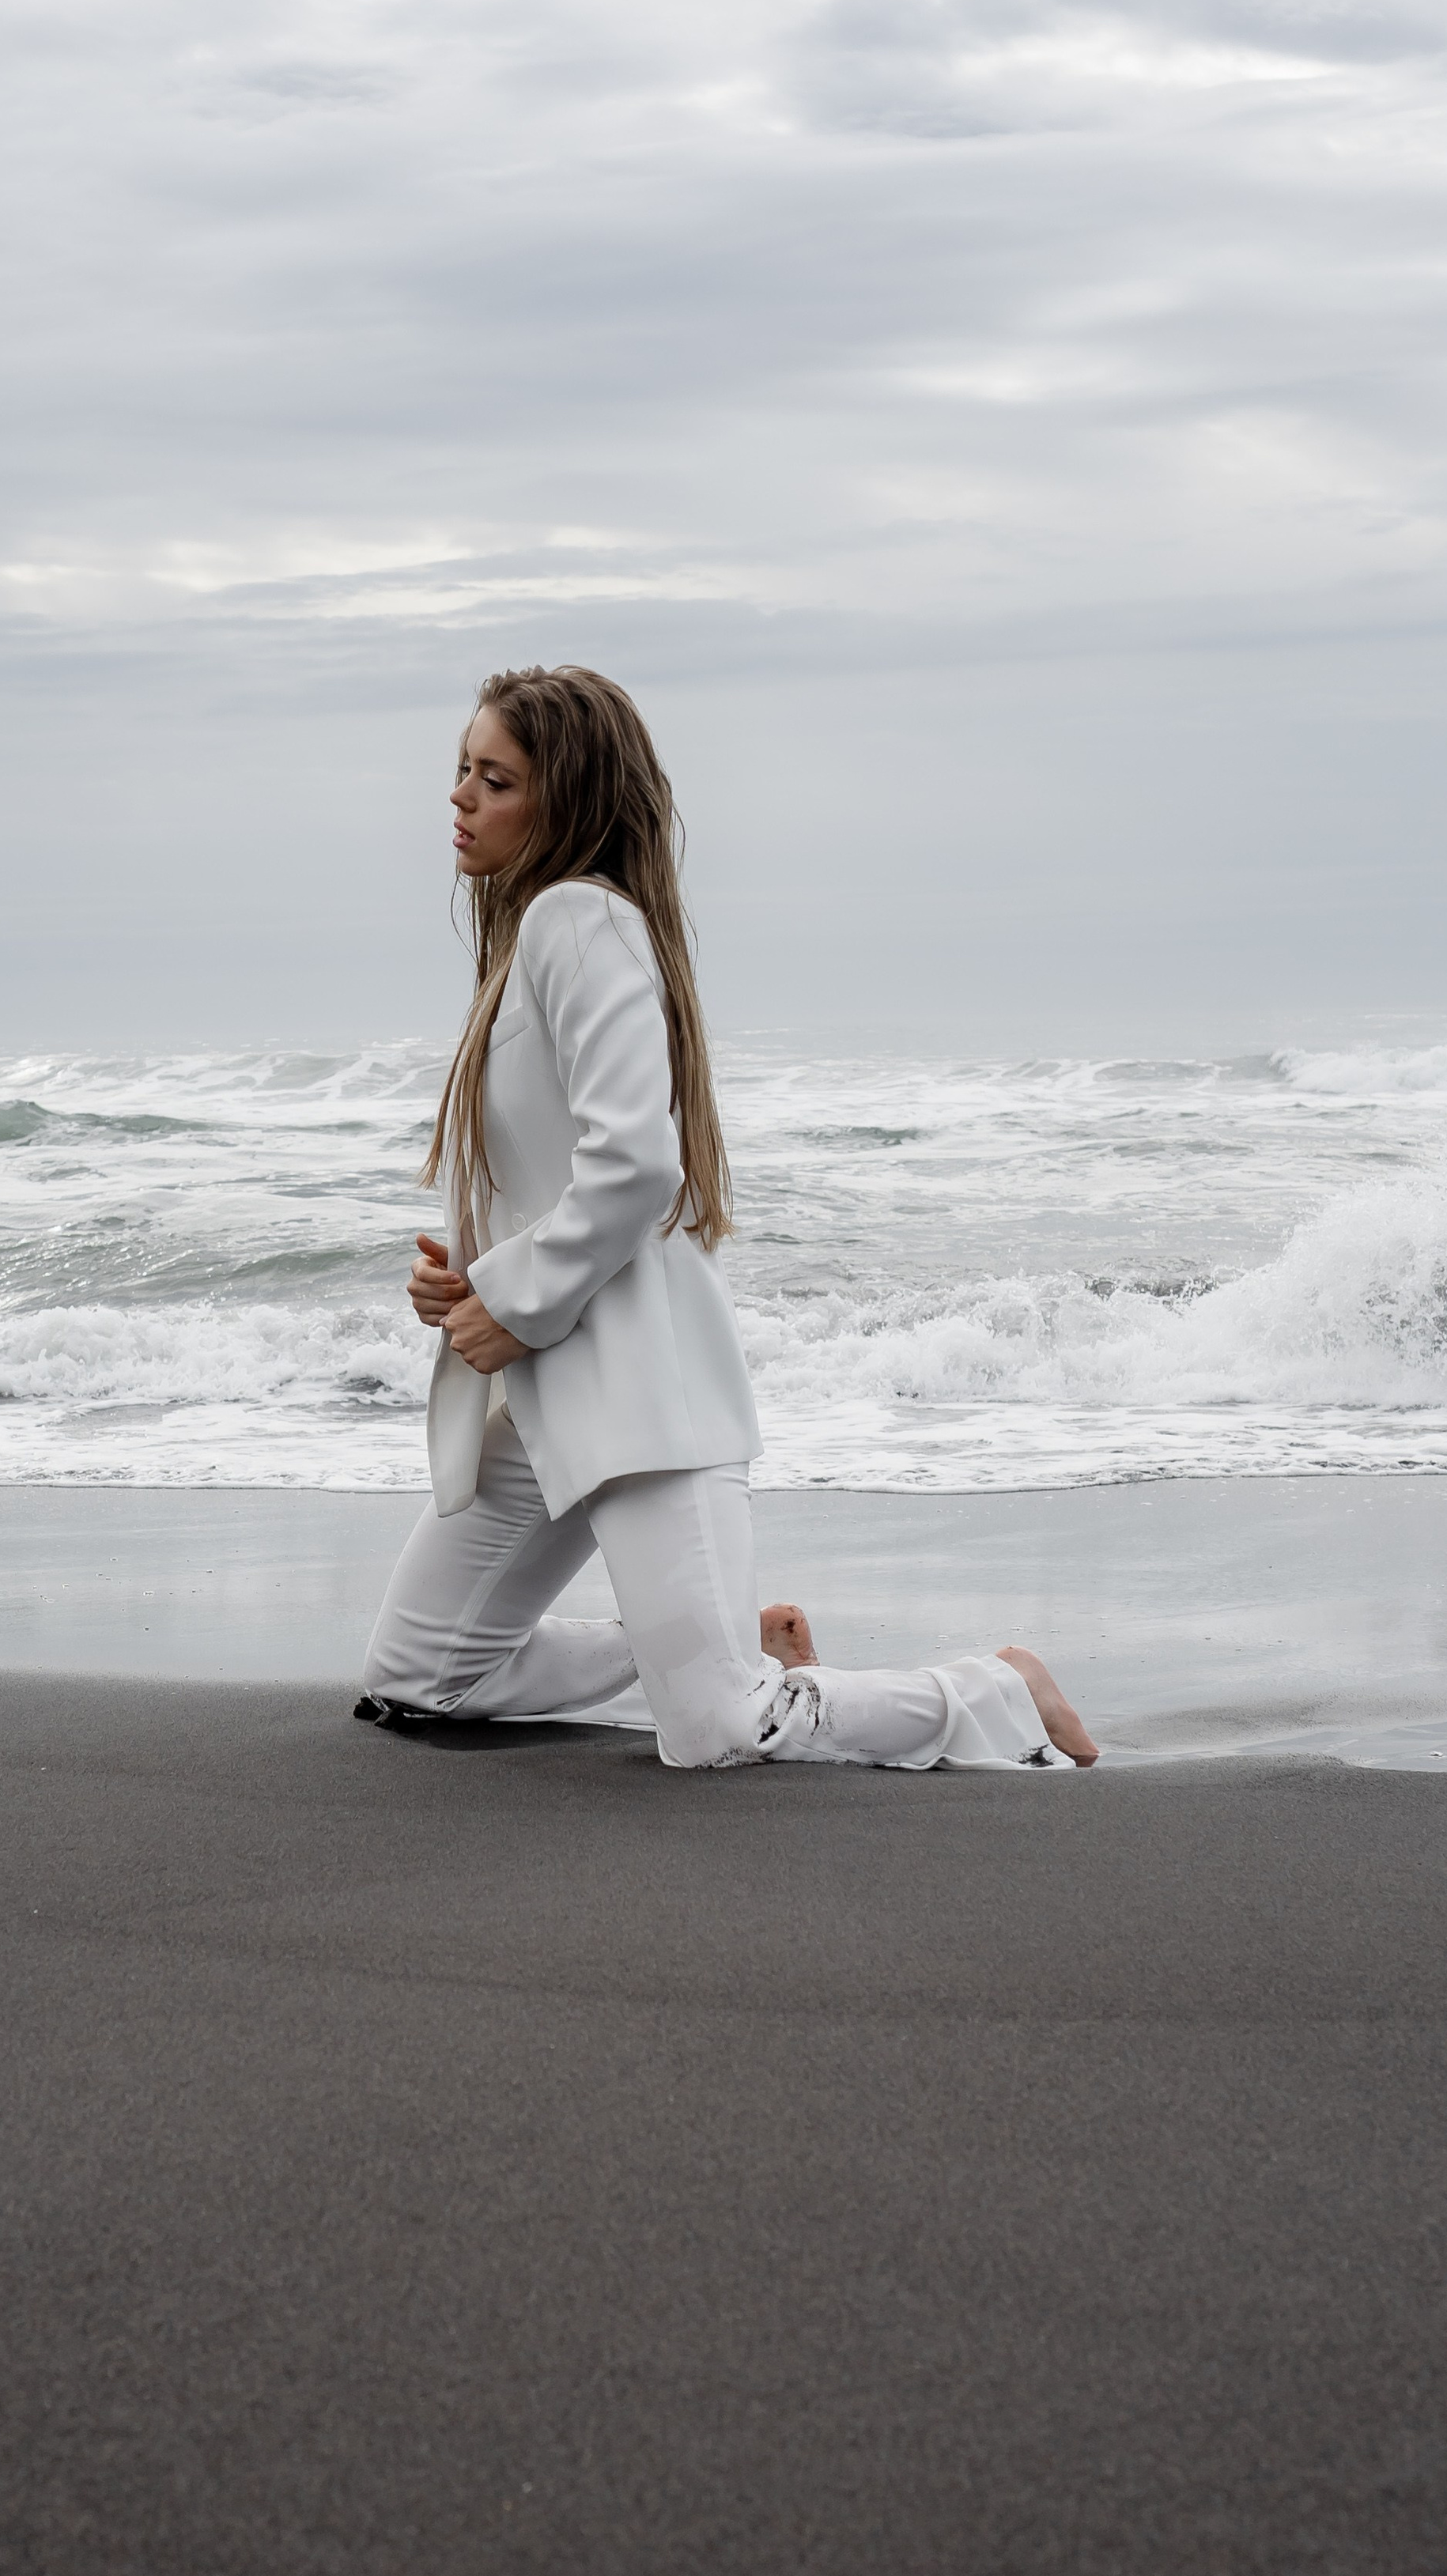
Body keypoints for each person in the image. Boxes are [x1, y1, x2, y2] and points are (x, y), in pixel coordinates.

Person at [360, 665, 1099, 1773]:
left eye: (496, 778)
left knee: (716, 1731)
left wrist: (510, 1304)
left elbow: (635, 1164)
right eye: (461, 771)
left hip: (640, 1386)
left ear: (564, 802)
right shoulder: (523, 946)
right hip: (545, 1391)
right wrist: (466, 1282)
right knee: (416, 1678)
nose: (462, 797)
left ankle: (996, 1691)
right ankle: (725, 1647)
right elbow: (554, 1174)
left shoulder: (579, 919)